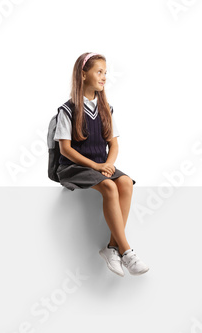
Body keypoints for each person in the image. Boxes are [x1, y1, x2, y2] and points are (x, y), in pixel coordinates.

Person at [54, 52, 149, 277]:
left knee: (125, 181)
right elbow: (65, 149)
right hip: (74, 167)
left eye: (105, 73)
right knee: (108, 186)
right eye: (99, 72)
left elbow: (113, 145)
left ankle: (111, 248)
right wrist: (97, 167)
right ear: (83, 74)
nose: (104, 77)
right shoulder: (67, 110)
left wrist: (107, 164)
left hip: (99, 165)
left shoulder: (107, 108)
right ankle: (126, 251)